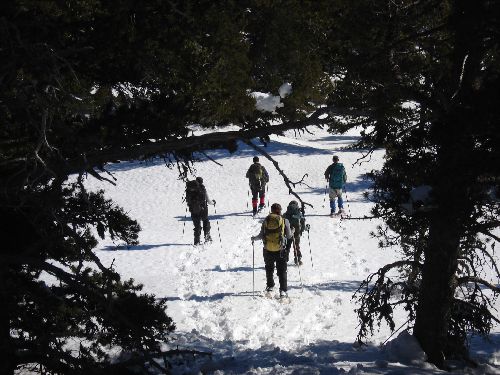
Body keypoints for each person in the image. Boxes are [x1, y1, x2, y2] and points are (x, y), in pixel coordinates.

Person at [251, 203, 294, 298]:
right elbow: (289, 235)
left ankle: (270, 287)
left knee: (269, 269)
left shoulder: (266, 220)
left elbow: (261, 235)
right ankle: (283, 291)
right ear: (280, 210)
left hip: (267, 249)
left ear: (271, 210)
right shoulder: (284, 220)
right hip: (280, 250)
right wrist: (293, 231)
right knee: (282, 270)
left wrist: (254, 238)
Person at [185, 177, 215, 245]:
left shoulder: (189, 190)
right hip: (203, 210)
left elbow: (188, 201)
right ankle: (207, 238)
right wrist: (213, 202)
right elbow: (209, 201)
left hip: (193, 210)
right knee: (205, 222)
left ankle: (197, 241)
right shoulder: (202, 189)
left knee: (197, 226)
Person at [283, 200, 306, 265]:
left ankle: (285, 259)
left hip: (288, 232)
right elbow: (303, 222)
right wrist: (301, 231)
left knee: (287, 246)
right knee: (296, 246)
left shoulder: (286, 214)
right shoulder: (299, 213)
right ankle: (298, 259)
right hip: (297, 231)